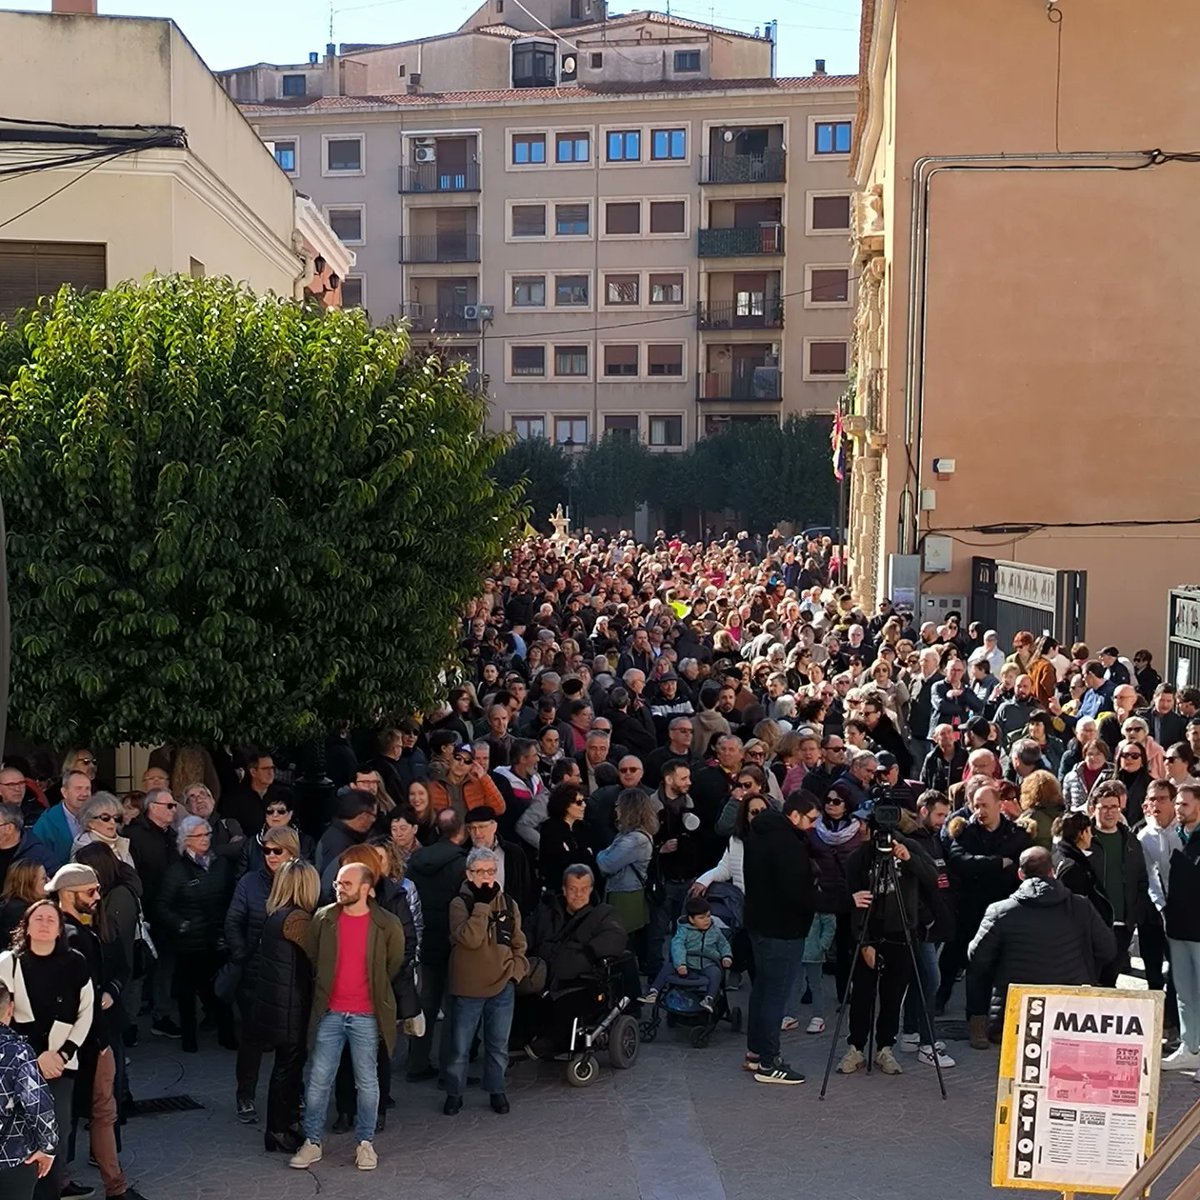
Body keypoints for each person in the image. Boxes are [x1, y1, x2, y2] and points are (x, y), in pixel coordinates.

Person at [289, 862, 406, 1172]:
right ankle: (312, 1142)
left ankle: (365, 1143)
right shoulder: (323, 918)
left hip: (367, 1015)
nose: (339, 888)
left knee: (367, 1082)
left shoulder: (387, 924)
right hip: (330, 1012)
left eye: (346, 884)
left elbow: (393, 963)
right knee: (318, 1080)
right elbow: (315, 957)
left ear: (366, 889)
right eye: (338, 883)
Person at [46, 865, 144, 1200]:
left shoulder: (65, 931)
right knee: (102, 1112)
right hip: (85, 1041)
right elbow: (79, 999)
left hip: (66, 1043)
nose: (98, 897)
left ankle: (63, 1182)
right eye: (90, 891)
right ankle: (115, 1187)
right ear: (67, 894)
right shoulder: (75, 937)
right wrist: (99, 1041)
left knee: (69, 1115)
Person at [967, 847, 1117, 1041]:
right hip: (1069, 1011)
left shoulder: (1000, 911)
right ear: (1052, 872)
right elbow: (1108, 949)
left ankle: (977, 1022)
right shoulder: (1081, 906)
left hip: (1014, 1012)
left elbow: (978, 957)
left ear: (1020, 874)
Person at [0, 900, 92, 1200]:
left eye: (51, 919)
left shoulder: (76, 962)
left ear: (60, 929)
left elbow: (86, 1012)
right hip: (17, 1065)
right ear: (25, 927)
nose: (44, 924)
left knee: (57, 1134)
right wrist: (35, 1056)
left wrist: (62, 1054)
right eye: (37, 918)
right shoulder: (8, 962)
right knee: (18, 1135)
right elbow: (4, 1012)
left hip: (60, 1065)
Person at [837, 820, 936, 1077]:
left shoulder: (910, 846)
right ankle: (856, 1047)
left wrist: (909, 858)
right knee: (862, 995)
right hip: (869, 932)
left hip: (902, 932)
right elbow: (855, 902)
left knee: (893, 996)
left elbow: (933, 878)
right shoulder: (860, 857)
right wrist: (864, 942)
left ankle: (885, 1047)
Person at [942, 778, 1032, 1045]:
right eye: (975, 805)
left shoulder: (1017, 835)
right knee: (975, 967)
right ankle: (976, 1021)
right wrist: (996, 863)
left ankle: (1002, 1023)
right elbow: (959, 862)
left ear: (999, 805)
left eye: (984, 805)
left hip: (1007, 912)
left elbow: (1021, 868)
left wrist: (989, 867)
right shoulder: (965, 833)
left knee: (1006, 968)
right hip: (972, 911)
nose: (979, 811)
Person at [442, 847, 529, 1117]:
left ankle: (497, 1090)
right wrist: (481, 906)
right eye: (480, 872)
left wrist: (516, 971)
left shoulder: (508, 903)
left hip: (502, 984)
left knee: (498, 1045)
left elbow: (519, 941)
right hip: (468, 987)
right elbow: (469, 939)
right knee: (460, 1047)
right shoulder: (460, 903)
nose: (487, 877)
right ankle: (454, 1093)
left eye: (491, 871)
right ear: (469, 874)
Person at [742, 792, 821, 1085]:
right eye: (811, 819)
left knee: (763, 990)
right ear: (795, 815)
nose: (813, 826)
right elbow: (800, 894)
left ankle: (756, 1053)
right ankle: (769, 1062)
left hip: (761, 925)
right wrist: (844, 901)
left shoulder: (761, 834)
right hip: (783, 930)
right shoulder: (787, 844)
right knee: (775, 995)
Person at [225, 826, 299, 1124]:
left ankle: (293, 1092)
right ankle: (245, 1094)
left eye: (277, 850)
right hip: (255, 972)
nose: (270, 856)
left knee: (291, 1039)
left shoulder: (302, 880)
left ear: (291, 851)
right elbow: (233, 921)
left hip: (291, 972)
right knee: (252, 1038)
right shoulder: (250, 882)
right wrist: (242, 954)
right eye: (266, 850)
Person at [247, 859, 319, 1153]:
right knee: (288, 1068)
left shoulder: (276, 915)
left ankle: (284, 1125)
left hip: (278, 1002)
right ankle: (278, 1128)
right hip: (290, 1005)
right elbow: (316, 957)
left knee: (286, 1066)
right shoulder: (297, 920)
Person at [155, 817, 234, 1053]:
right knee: (187, 993)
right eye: (198, 835)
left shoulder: (221, 865)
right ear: (185, 840)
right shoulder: (176, 871)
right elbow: (162, 906)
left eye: (207, 834)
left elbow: (230, 897)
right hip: (189, 942)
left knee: (222, 989)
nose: (204, 839)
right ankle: (189, 1039)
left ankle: (227, 1035)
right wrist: (182, 925)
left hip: (217, 937)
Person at [404, 809, 468, 1084]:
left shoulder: (416, 860)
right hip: (452, 943)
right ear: (461, 831)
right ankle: (449, 1070)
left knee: (426, 1003)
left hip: (424, 939)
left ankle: (417, 1063)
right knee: (454, 1007)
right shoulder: (461, 863)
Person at [125, 787, 180, 1040]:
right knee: (138, 968)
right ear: (153, 807)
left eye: (174, 805)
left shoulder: (172, 835)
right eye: (168, 805)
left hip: (167, 912)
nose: (173, 810)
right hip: (144, 911)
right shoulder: (134, 836)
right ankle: (129, 1023)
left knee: (165, 965)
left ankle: (162, 1015)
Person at [0, 978, 57, 1200]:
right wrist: (48, 1148)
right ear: (10, 1009)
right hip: (12, 1155)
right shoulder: (17, 1052)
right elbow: (38, 1104)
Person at [1087, 780, 1149, 984]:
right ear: (1093, 809)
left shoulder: (1130, 840)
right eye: (1104, 807)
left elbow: (1141, 878)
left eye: (1114, 807)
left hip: (1123, 924)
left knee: (1110, 981)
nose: (1110, 812)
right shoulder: (1084, 838)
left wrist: (1136, 911)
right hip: (1092, 923)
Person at [639, 895, 732, 1011]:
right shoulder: (684, 931)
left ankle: (709, 998)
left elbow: (723, 944)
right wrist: (680, 964)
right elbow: (678, 947)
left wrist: (726, 956)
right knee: (668, 968)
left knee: (716, 973)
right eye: (701, 918)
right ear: (691, 919)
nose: (706, 920)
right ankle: (654, 992)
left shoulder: (715, 930)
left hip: (707, 964)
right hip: (687, 963)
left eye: (708, 916)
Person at [595, 790, 658, 961]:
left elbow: (605, 864)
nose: (616, 809)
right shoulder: (630, 835)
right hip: (626, 892)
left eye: (618, 805)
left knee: (622, 943)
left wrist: (599, 853)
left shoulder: (634, 840)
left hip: (626, 895)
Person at [1163, 783, 1200, 1070]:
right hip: (1177, 927)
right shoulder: (1171, 835)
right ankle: (1190, 1048)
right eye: (1177, 803)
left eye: (1185, 804)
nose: (1178, 809)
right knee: (1184, 992)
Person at [534, 783, 595, 892]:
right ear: (564, 805)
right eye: (579, 802)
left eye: (584, 801)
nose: (584, 805)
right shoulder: (550, 828)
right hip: (559, 889)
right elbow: (558, 863)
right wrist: (584, 854)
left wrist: (574, 855)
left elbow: (590, 859)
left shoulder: (584, 828)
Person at [28, 772, 91, 872]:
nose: (84, 794)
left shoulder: (98, 817)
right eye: (78, 788)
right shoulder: (47, 822)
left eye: (87, 788)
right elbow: (37, 860)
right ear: (64, 792)